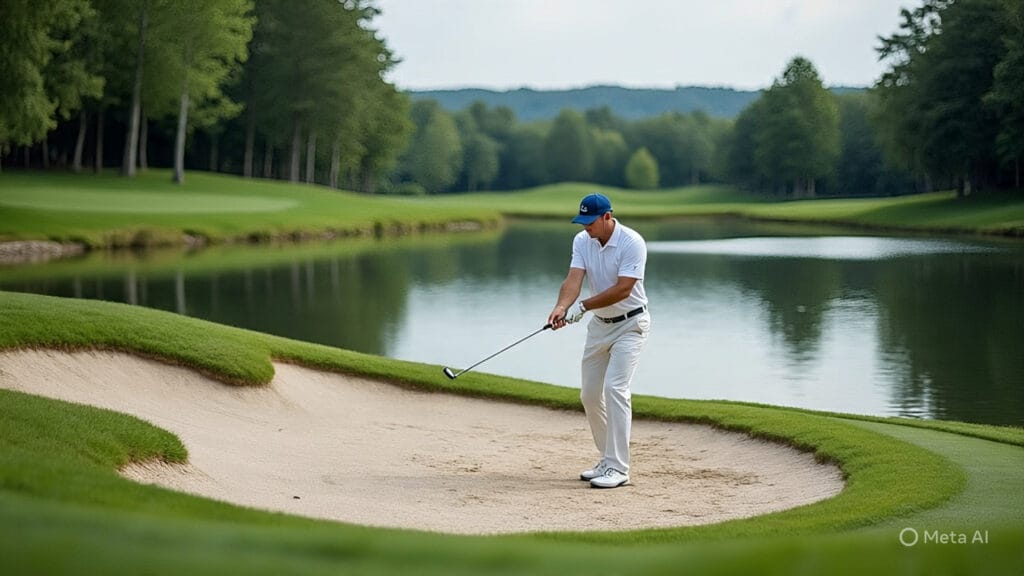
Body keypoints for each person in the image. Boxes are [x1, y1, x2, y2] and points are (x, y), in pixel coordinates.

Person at [547, 193, 650, 489]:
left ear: (607, 217)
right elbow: (573, 279)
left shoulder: (632, 242)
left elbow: (623, 289)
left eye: (590, 222)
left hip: (631, 324)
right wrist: (562, 307)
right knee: (590, 395)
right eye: (582, 223)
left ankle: (619, 469)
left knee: (615, 388)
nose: (585, 228)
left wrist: (583, 307)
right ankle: (607, 459)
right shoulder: (583, 241)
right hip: (600, 328)